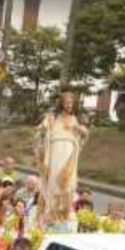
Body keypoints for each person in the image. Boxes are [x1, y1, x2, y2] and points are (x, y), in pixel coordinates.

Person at [35, 91, 89, 228]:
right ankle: (50, 211)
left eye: (71, 103)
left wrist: (78, 128)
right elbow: (40, 131)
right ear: (61, 104)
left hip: (69, 153)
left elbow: (84, 135)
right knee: (53, 181)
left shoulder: (75, 119)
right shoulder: (53, 118)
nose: (69, 105)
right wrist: (44, 127)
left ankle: (63, 211)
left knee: (68, 183)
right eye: (66, 103)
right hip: (55, 152)